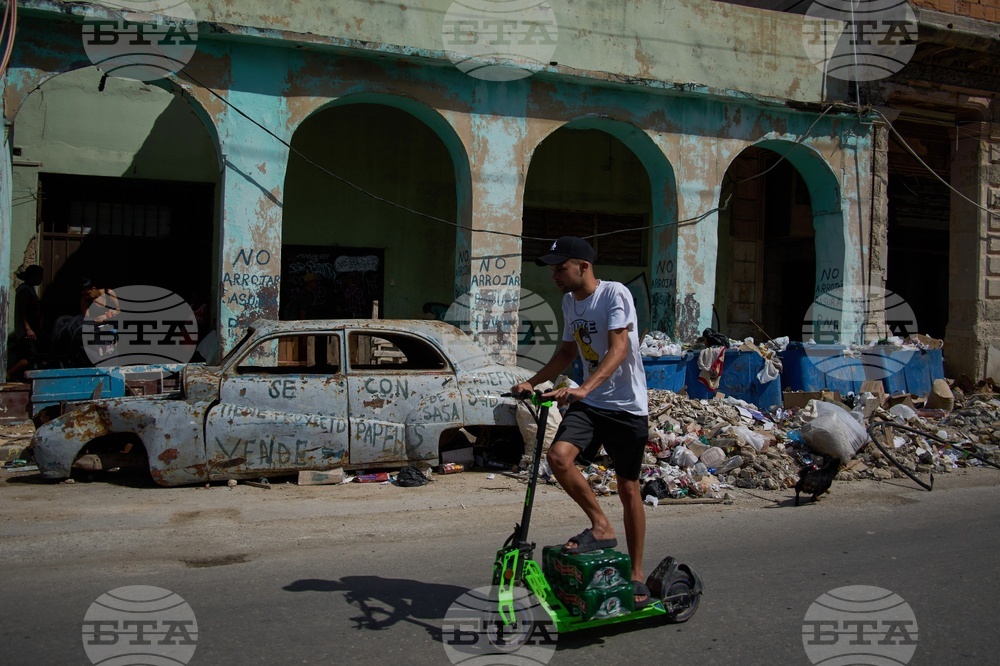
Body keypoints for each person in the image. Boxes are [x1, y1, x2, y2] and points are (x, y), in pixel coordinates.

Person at [511, 236, 651, 608]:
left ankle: (637, 574)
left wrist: (585, 388)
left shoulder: (614, 294)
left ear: (583, 267)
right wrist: (532, 382)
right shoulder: (569, 302)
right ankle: (601, 526)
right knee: (558, 457)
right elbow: (568, 352)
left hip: (626, 406)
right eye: (554, 269)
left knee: (628, 488)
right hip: (591, 403)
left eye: (560, 267)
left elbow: (619, 348)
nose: (554, 275)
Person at [6, 265, 44, 380]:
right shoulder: (24, 290)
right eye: (39, 276)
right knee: (29, 357)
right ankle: (9, 373)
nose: (41, 279)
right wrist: (28, 328)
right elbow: (22, 312)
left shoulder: (30, 289)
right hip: (26, 331)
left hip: (31, 330)